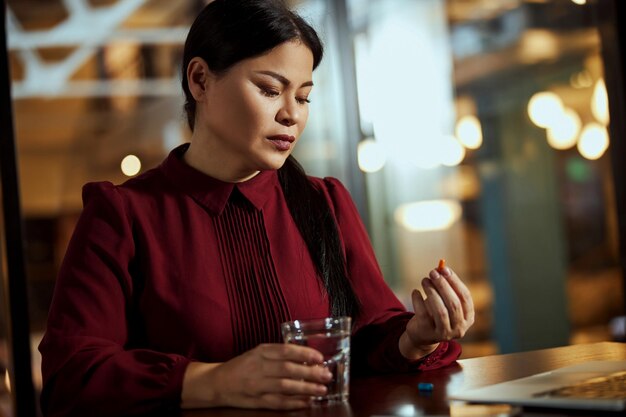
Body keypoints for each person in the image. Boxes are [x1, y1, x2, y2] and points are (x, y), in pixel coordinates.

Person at [38, 0, 475, 415]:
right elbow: (70, 376)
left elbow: (368, 333)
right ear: (200, 80)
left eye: (303, 97)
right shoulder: (122, 216)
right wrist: (214, 382)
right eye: (270, 89)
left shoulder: (325, 202)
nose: (292, 115)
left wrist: (416, 337)